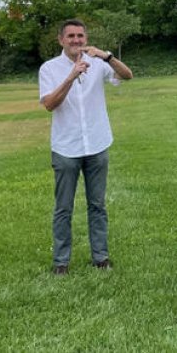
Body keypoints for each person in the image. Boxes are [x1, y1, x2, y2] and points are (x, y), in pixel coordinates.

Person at [39, 19, 134, 275]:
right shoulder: (49, 69)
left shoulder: (98, 63)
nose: (76, 40)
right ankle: (61, 261)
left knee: (97, 205)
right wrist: (71, 76)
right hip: (66, 148)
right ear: (61, 40)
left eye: (80, 35)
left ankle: (100, 257)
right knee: (63, 207)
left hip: (97, 143)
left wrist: (107, 56)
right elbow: (49, 104)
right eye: (70, 36)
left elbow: (127, 75)